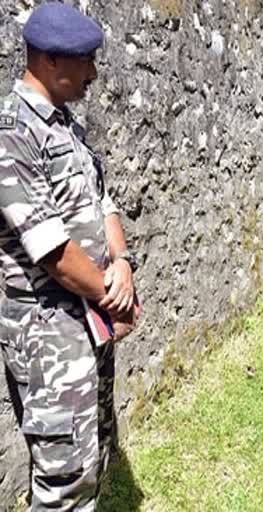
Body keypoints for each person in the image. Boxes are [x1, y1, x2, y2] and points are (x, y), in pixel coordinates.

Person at [0, 4, 140, 509]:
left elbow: (104, 204)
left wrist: (121, 262)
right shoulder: (12, 132)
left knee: (93, 455)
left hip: (88, 318)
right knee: (64, 479)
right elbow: (51, 250)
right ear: (52, 60)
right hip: (49, 333)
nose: (95, 74)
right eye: (86, 62)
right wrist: (114, 299)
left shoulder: (67, 128)